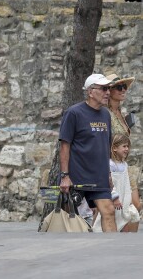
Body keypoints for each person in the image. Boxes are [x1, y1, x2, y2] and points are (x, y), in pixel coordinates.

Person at [59, 73, 117, 232]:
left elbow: (106, 145)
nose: (107, 92)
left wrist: (108, 172)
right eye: (104, 88)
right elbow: (65, 146)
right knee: (71, 217)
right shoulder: (74, 113)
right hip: (76, 175)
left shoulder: (106, 114)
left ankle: (110, 249)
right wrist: (65, 175)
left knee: (109, 211)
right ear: (91, 91)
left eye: (109, 89)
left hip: (99, 175)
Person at [107, 73, 141, 231]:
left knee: (135, 208)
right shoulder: (105, 114)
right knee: (127, 209)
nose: (123, 90)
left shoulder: (119, 112)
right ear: (110, 90)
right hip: (113, 168)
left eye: (124, 87)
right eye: (119, 87)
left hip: (125, 166)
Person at [93, 134, 140, 232]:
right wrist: (115, 197)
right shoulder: (110, 164)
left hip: (124, 201)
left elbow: (126, 184)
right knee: (113, 221)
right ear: (114, 148)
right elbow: (109, 182)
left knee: (129, 219)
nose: (127, 149)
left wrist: (129, 199)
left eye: (127, 146)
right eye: (124, 146)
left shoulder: (124, 164)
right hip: (114, 200)